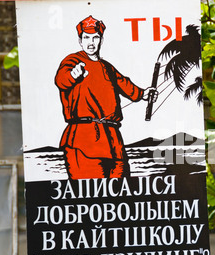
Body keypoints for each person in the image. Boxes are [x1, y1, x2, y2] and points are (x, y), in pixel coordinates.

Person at [55, 16, 157, 180]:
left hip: (112, 140)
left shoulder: (107, 67)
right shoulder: (73, 61)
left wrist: (144, 94)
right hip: (84, 139)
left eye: (95, 37)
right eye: (86, 37)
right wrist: (74, 75)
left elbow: (126, 85)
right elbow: (62, 79)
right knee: (89, 194)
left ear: (101, 40)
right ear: (80, 40)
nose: (91, 42)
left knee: (121, 192)